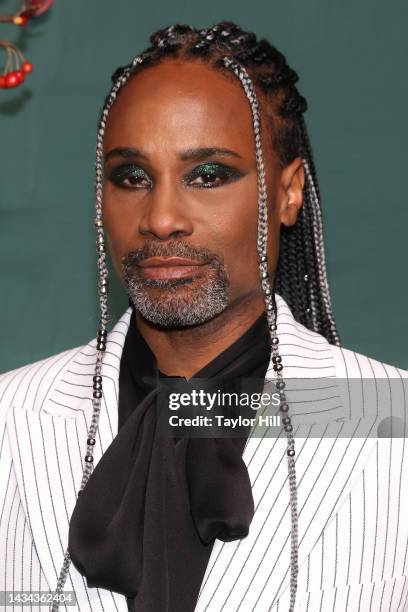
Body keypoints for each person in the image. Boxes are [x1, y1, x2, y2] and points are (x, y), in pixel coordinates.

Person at [0, 20, 407, 612]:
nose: (162, 218)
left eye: (209, 175)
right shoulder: (8, 421)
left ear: (289, 193)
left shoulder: (395, 429)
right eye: (132, 176)